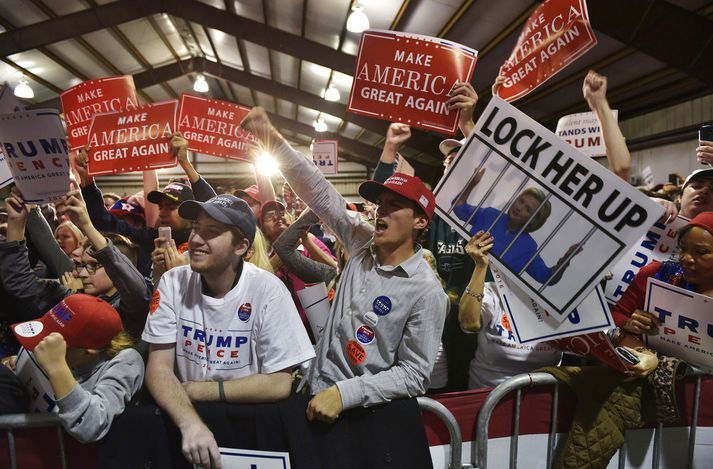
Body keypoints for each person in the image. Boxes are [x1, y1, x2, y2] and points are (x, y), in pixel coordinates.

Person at [241, 107, 448, 425]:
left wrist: (345, 394)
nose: (381, 212)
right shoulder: (362, 242)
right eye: (381, 204)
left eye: (395, 206)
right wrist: (274, 140)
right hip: (309, 390)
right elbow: (319, 192)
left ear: (420, 221)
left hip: (355, 416)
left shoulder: (426, 291)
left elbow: (415, 375)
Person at [142, 194, 314, 469]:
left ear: (241, 246)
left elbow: (279, 383)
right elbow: (158, 368)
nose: (197, 239)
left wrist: (200, 390)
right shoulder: (173, 282)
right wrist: (190, 423)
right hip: (185, 421)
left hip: (250, 429)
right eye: (197, 227)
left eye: (212, 232)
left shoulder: (267, 290)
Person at [0, 189, 152, 340]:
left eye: (94, 265)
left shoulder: (131, 310)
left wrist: (87, 225)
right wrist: (15, 223)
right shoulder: (73, 298)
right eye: (83, 265)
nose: (83, 273)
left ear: (116, 269)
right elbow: (20, 284)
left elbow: (136, 289)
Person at [7, 294, 143, 443]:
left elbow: (90, 426)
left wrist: (57, 368)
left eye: (56, 345)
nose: (42, 346)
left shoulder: (126, 361)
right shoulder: (75, 356)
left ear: (89, 349)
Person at [77, 134, 217, 277]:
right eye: (160, 207)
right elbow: (105, 222)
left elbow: (214, 209)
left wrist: (185, 163)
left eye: (171, 207)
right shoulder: (151, 238)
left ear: (190, 212)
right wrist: (88, 183)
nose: (162, 212)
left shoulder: (205, 239)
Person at [459, 231, 561, 388]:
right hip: (486, 396)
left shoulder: (560, 304)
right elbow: (469, 324)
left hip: (542, 400)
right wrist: (480, 266)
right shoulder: (493, 292)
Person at [451, 171, 581, 285]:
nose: (519, 207)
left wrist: (567, 258)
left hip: (486, 299)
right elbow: (458, 208)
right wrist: (472, 183)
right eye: (521, 201)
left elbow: (546, 278)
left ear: (534, 220)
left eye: (528, 209)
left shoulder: (528, 247)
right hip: (456, 276)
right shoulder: (490, 214)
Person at [611, 211, 713, 332]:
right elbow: (615, 315)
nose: (686, 259)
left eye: (701, 252)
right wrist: (629, 323)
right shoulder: (656, 273)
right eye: (683, 248)